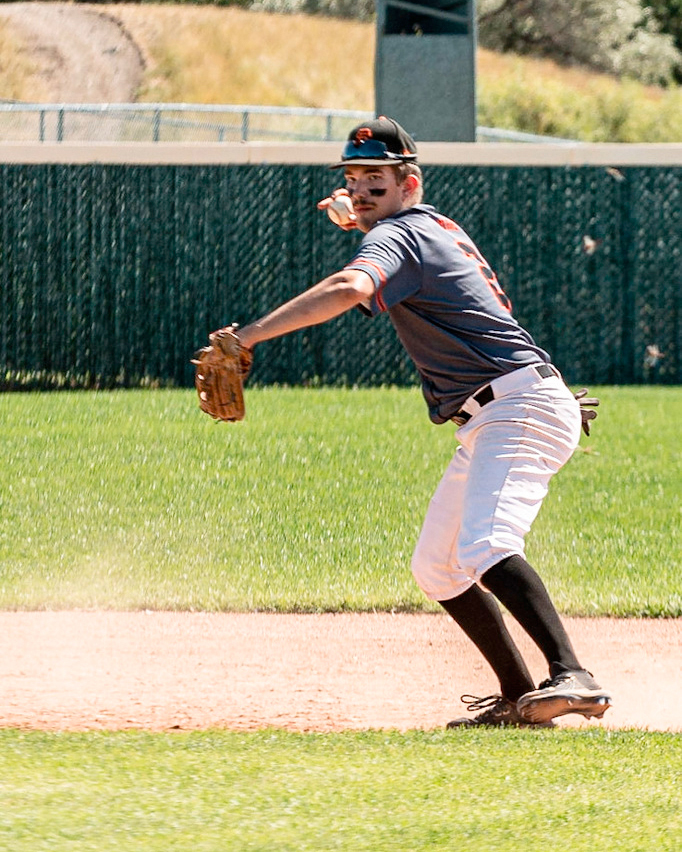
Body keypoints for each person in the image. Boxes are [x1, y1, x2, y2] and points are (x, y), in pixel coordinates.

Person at [221, 116, 612, 728]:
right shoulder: (427, 227)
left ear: (410, 181)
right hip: (507, 406)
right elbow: (386, 239)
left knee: (487, 546)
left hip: (514, 405)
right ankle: (516, 696)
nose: (360, 187)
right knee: (437, 565)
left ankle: (573, 674)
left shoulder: (399, 234)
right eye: (354, 177)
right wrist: (358, 216)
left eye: (376, 177)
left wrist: (248, 336)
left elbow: (352, 284)